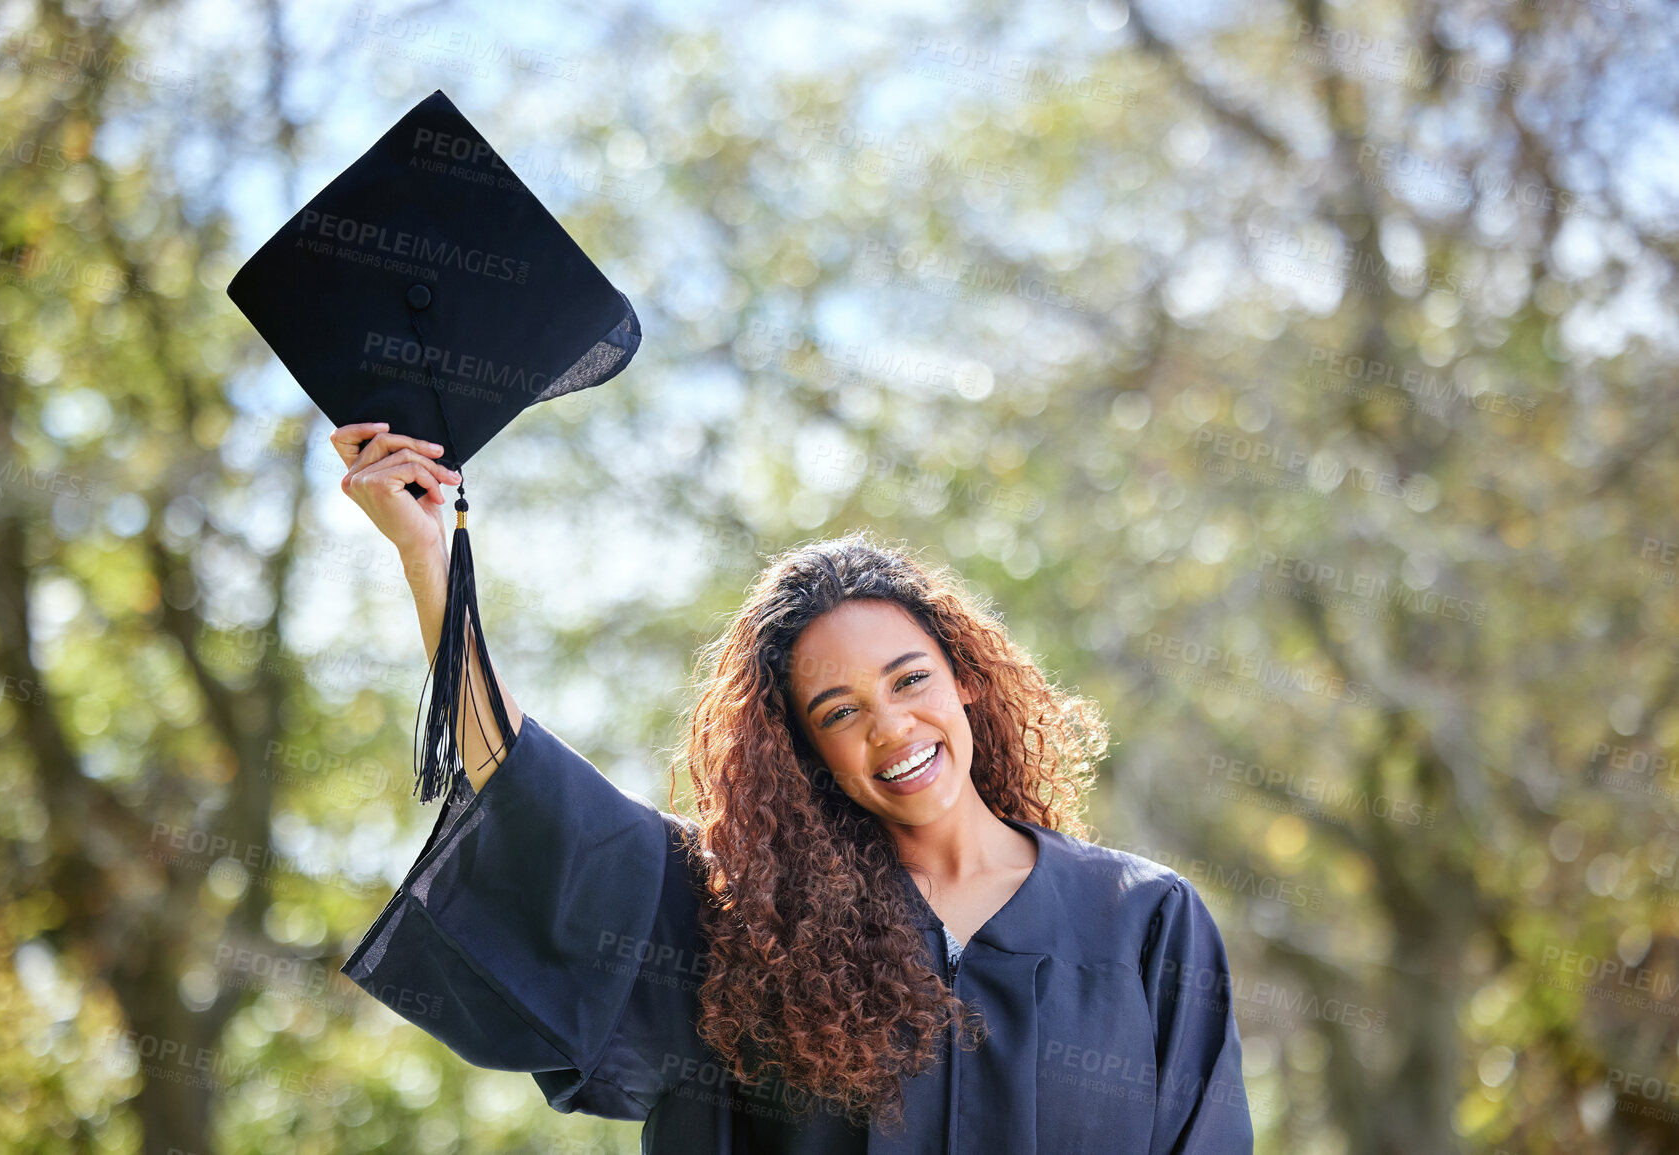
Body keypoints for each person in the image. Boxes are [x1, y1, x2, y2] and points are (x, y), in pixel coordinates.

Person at [330, 422, 1256, 1153]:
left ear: (964, 674)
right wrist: (429, 562)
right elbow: (537, 799)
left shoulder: (1141, 923)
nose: (891, 727)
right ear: (804, 749)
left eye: (909, 680)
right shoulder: (753, 931)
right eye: (839, 710)